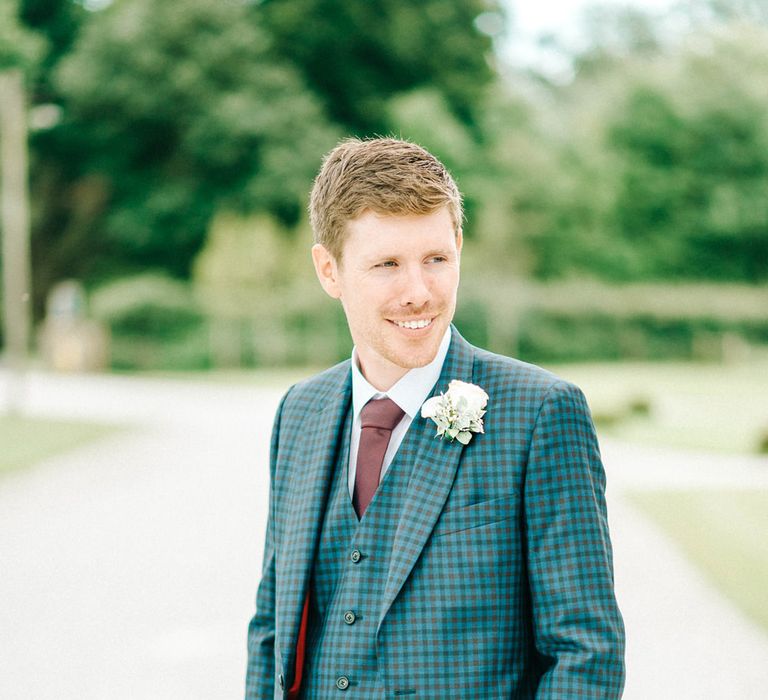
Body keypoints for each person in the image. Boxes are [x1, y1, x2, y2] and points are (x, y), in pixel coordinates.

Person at [245, 137, 625, 698]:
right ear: (329, 270)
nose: (419, 292)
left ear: (460, 248)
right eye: (387, 265)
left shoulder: (541, 412)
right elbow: (271, 631)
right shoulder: (298, 414)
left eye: (436, 260)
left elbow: (587, 654)